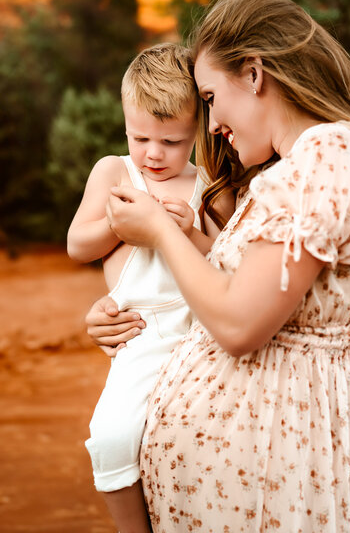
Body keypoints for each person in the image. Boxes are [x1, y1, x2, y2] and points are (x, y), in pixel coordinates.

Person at [86, 0, 350, 532]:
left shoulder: (328, 153)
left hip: (273, 476)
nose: (210, 125)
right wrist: (122, 313)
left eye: (209, 97)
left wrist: (162, 231)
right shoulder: (290, 170)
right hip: (242, 481)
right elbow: (225, 296)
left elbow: (238, 325)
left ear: (253, 75)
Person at [67, 42, 235, 533]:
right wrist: (122, 224)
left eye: (173, 142)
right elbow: (79, 244)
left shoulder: (208, 185)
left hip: (197, 327)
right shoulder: (115, 172)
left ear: (197, 133)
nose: (154, 154)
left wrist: (190, 232)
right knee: (112, 435)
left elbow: (228, 261)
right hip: (139, 332)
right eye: (141, 138)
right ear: (125, 124)